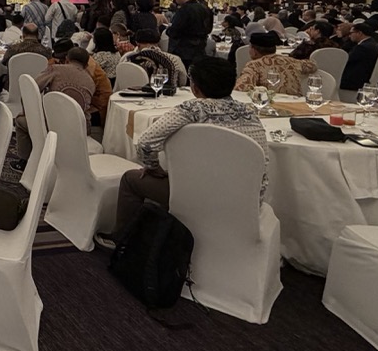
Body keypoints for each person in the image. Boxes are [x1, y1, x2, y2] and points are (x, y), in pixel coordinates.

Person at [97, 57, 267, 247]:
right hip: (246, 199)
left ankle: (123, 241)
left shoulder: (192, 109)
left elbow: (146, 143)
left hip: (199, 195)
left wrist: (154, 168)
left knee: (131, 179)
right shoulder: (250, 112)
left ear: (194, 87)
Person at [14, 40, 95, 165]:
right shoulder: (90, 81)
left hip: (52, 126)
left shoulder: (55, 69)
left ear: (67, 59)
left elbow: (32, 88)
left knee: (20, 121)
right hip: (79, 130)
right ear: (85, 65)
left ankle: (25, 161)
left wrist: (29, 113)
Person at [234, 32, 318, 95]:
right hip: (297, 105)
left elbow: (240, 88)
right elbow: (313, 65)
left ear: (254, 51)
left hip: (269, 105)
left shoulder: (254, 65)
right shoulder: (292, 61)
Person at [164, 0, 212, 68]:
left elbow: (175, 31)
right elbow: (209, 29)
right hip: (200, 49)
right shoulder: (206, 9)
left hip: (183, 52)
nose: (174, 0)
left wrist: (168, 30)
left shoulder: (184, 10)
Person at [339, 21, 378, 92]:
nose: (349, 36)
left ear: (359, 33)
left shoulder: (362, 48)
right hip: (367, 76)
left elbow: (345, 61)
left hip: (356, 80)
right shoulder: (374, 44)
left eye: (351, 33)